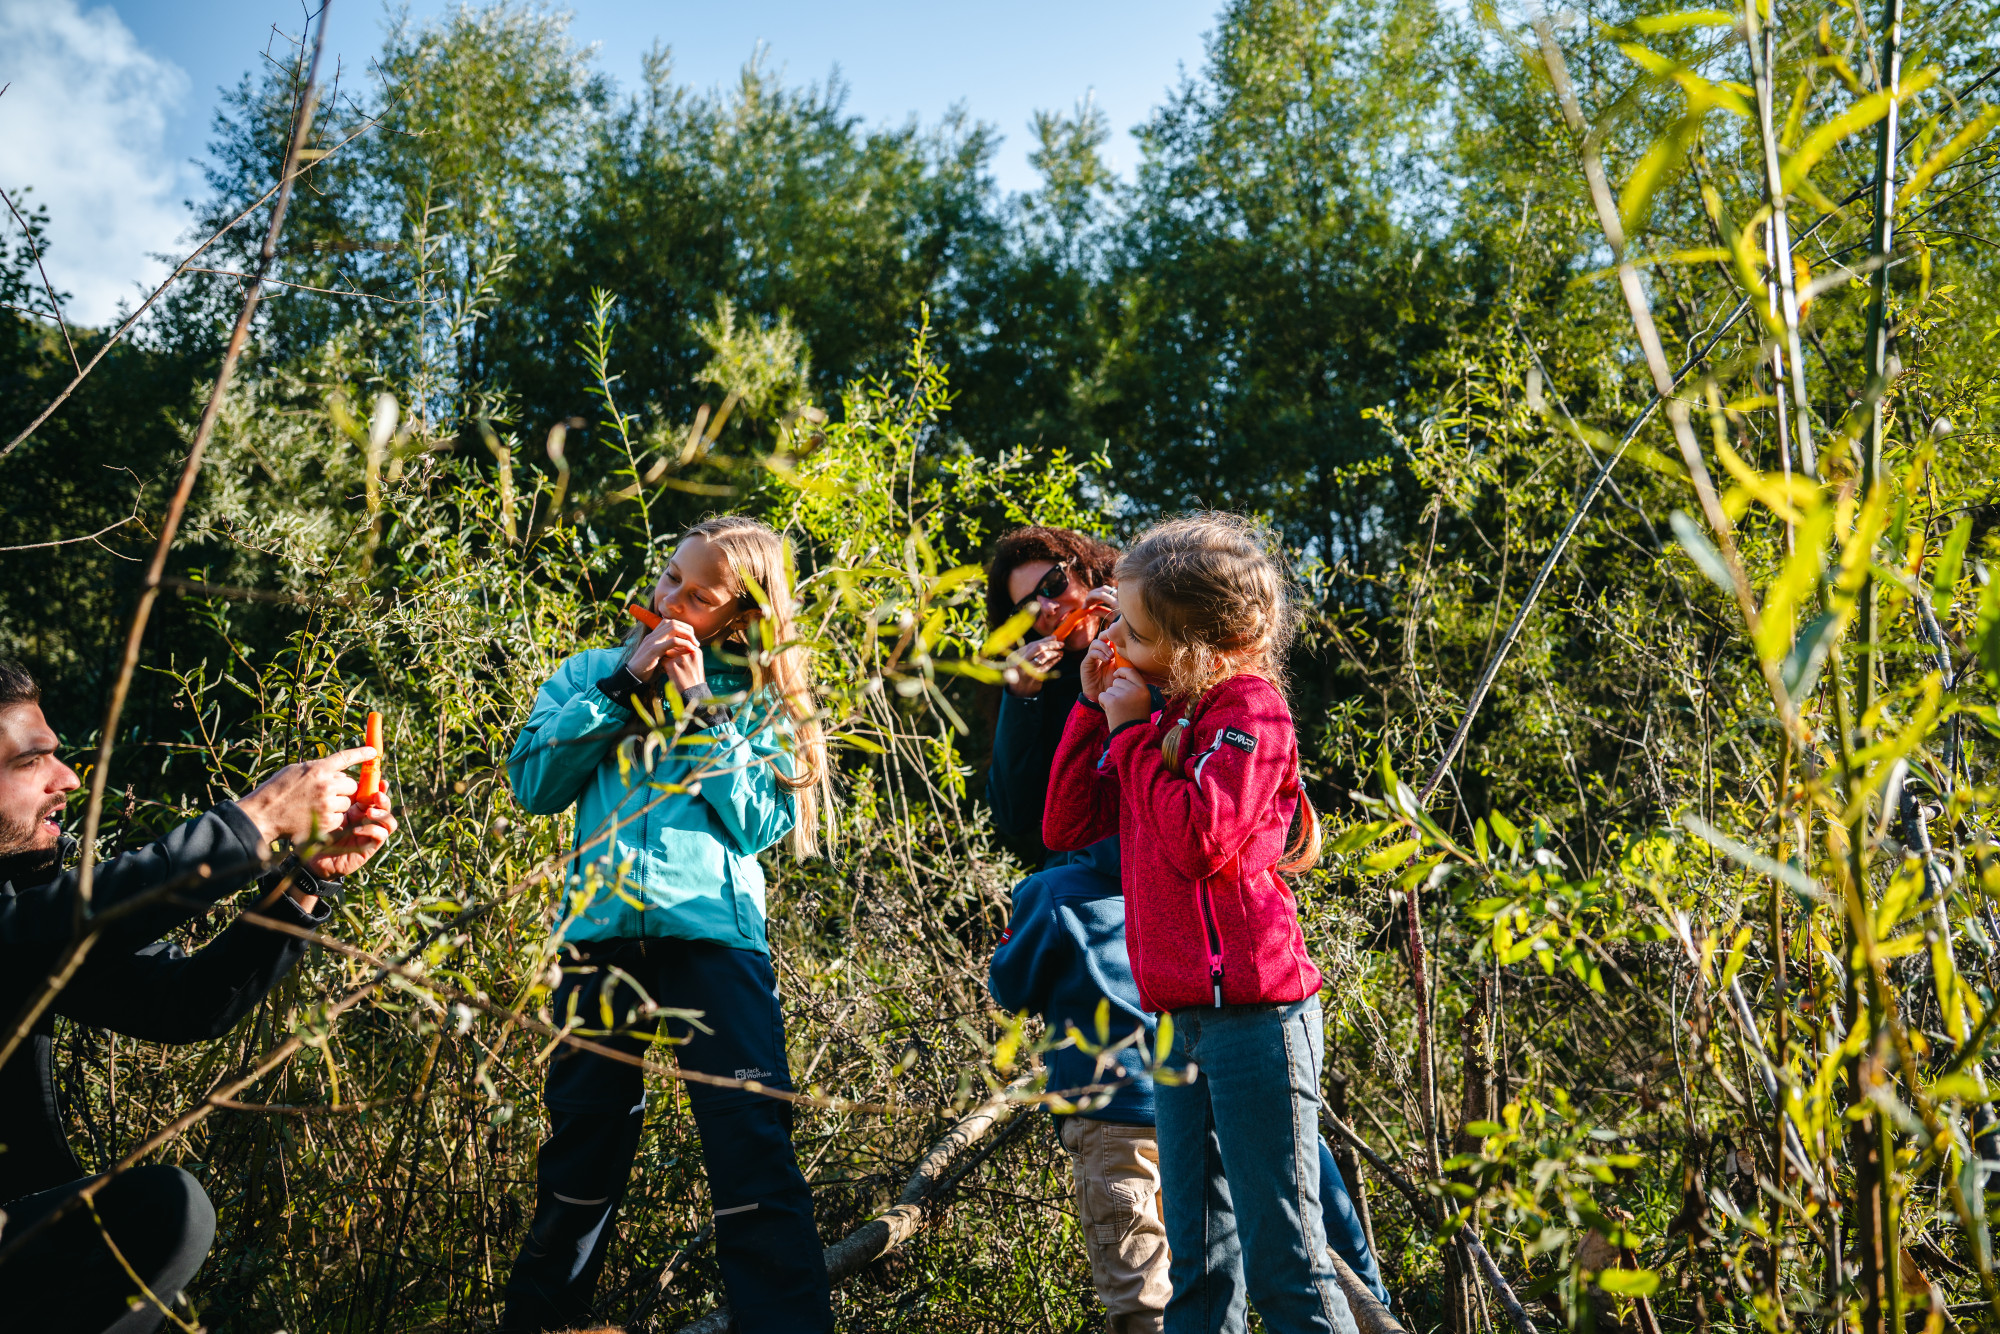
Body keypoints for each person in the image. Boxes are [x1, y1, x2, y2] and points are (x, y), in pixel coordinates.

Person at [985, 528, 1384, 1334]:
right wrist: (1096, 716)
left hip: (1254, 1019)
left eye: (1131, 631)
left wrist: (1131, 733)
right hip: (1173, 1022)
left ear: (1205, 643)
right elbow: (1066, 825)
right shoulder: (1152, 713)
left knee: (1288, 1269)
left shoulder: (1249, 713)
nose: (1115, 643)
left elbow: (1201, 842)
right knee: (1200, 1277)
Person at [502, 515, 835, 1333]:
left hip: (714, 944)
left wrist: (696, 707)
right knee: (583, 1150)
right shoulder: (588, 672)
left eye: (697, 592)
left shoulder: (759, 698)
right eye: (669, 578)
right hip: (598, 941)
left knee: (750, 1145)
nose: (671, 598)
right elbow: (533, 784)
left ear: (741, 615)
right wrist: (618, 691)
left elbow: (758, 822)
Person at [0, 658, 397, 1333]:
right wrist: (253, 822)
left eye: (59, 758)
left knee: (153, 1253)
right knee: (163, 1215)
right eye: (30, 762)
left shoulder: (27, 905)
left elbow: (184, 1000)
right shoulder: (28, 925)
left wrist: (302, 880)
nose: (67, 779)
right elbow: (42, 932)